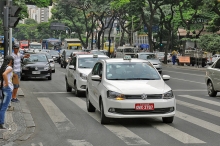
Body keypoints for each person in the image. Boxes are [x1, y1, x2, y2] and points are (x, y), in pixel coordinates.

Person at [0, 55, 14, 129]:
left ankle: (0, 122)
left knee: (1, 106)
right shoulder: (9, 68)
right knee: (4, 107)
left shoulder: (3, 67)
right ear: (10, 61)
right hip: (7, 89)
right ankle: (1, 123)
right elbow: (4, 74)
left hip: (3, 88)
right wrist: (7, 83)